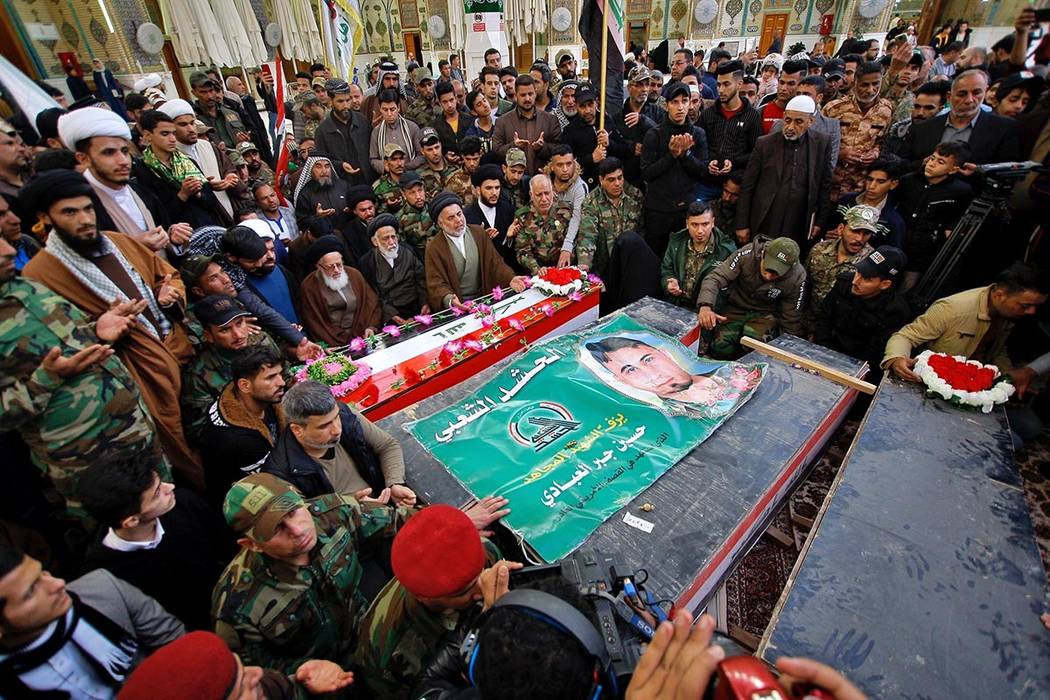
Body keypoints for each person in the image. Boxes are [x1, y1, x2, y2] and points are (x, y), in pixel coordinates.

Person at [20, 169, 203, 488]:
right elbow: (50, 349)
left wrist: (167, 293)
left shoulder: (118, 242)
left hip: (178, 350)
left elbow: (166, 274)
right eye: (70, 212)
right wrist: (97, 330)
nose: (85, 219)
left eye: (88, 208)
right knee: (176, 455)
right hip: (134, 376)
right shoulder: (40, 276)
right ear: (44, 217)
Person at [0, 234, 165, 523]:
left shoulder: (27, 288)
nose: (7, 250)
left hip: (137, 437)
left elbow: (64, 343)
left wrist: (96, 329)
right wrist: (46, 379)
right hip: (87, 464)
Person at [212, 473, 414, 672]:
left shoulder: (332, 513)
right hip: (325, 680)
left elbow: (408, 522)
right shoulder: (237, 605)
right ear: (252, 544)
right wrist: (306, 676)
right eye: (276, 528)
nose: (297, 530)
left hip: (370, 632)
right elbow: (257, 678)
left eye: (293, 511)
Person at [356, 505, 513, 697]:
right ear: (424, 597)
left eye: (480, 576)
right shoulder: (388, 650)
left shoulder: (481, 551)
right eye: (464, 592)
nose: (482, 591)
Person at [0, 543, 185, 697]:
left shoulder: (102, 590)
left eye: (42, 573)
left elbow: (176, 642)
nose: (58, 584)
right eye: (31, 592)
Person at [78, 456, 230, 631]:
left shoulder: (184, 504)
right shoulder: (106, 578)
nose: (170, 487)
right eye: (157, 493)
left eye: (161, 482)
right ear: (131, 521)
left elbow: (228, 549)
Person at [59, 108, 189, 259]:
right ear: (83, 159)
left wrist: (172, 236)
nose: (123, 161)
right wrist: (132, 246)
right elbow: (86, 260)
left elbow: (164, 233)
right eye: (109, 152)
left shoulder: (140, 191)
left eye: (125, 151)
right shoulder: (77, 205)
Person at [883, 262, 1049, 380]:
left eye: (1035, 306)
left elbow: (996, 351)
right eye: (1026, 305)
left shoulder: (1008, 314)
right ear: (999, 295)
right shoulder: (953, 309)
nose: (1031, 312)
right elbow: (906, 336)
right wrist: (897, 359)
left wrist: (1008, 377)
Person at [117, 630, 355, 700]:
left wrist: (303, 687)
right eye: (243, 685)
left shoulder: (265, 687)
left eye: (242, 668)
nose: (257, 673)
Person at [736, 95, 833, 245]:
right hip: (767, 217)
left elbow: (825, 186)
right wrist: (742, 224)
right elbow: (748, 186)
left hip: (799, 220)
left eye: (798, 121)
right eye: (788, 120)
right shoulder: (765, 144)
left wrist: (819, 221)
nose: (791, 127)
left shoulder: (822, 143)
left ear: (811, 121)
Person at [180, 293, 276, 440]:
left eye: (240, 323)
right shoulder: (198, 374)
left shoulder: (262, 341)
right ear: (209, 335)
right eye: (225, 330)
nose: (238, 335)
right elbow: (200, 430)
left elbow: (287, 378)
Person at [696, 237, 807, 358]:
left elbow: (791, 317)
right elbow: (715, 278)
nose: (769, 276)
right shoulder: (746, 254)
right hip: (736, 307)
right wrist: (705, 305)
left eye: (775, 273)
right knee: (720, 345)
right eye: (767, 269)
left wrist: (787, 350)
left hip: (766, 314)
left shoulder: (797, 278)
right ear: (763, 254)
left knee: (755, 348)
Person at [816, 245, 912, 373]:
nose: (856, 281)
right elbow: (824, 319)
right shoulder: (844, 282)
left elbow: (874, 353)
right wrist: (821, 353)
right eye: (858, 272)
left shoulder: (895, 311)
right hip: (824, 350)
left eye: (866, 279)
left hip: (854, 367)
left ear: (885, 284)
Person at [425, 192, 527, 310]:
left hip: (484, 297)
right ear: (440, 223)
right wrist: (449, 299)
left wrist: (510, 278)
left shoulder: (478, 232)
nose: (458, 220)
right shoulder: (434, 247)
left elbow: (495, 263)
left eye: (459, 214)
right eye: (451, 218)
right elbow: (436, 283)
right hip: (459, 306)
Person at [641, 82, 709, 257]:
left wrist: (685, 155)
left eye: (684, 101)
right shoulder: (654, 135)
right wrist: (671, 155)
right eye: (675, 102)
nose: (680, 107)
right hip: (659, 209)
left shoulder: (698, 134)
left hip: (686, 209)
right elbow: (647, 173)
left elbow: (702, 172)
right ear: (666, 105)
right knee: (655, 255)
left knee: (686, 256)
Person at [133, 110, 232, 229]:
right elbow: (156, 215)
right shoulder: (142, 169)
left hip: (209, 229)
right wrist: (183, 195)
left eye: (173, 133)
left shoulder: (186, 162)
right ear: (148, 135)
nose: (172, 139)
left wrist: (198, 193)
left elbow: (211, 202)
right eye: (165, 134)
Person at [902, 69, 1021, 166]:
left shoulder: (1004, 129)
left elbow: (1005, 172)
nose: (969, 100)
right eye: (962, 94)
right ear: (949, 97)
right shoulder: (922, 129)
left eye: (976, 93)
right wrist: (923, 164)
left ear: (985, 92)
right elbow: (904, 164)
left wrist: (978, 172)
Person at [895, 141, 973, 287]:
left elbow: (956, 218)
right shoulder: (908, 180)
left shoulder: (961, 191)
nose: (932, 164)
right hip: (896, 243)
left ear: (953, 169)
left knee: (907, 288)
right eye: (932, 158)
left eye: (941, 162)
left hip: (922, 254)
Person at [160, 99, 240, 222]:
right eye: (183, 125)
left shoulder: (207, 145)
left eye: (192, 123)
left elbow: (228, 167)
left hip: (230, 211)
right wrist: (205, 188)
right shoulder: (171, 157)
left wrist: (229, 177)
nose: (191, 129)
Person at [823, 62, 894, 200]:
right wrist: (839, 153)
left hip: (862, 188)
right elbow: (817, 143)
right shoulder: (834, 108)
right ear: (855, 82)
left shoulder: (886, 110)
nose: (870, 90)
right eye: (864, 85)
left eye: (875, 84)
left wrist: (876, 152)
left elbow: (884, 141)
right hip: (831, 184)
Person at [697, 60, 762, 202]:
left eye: (726, 84)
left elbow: (756, 152)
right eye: (719, 84)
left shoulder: (752, 116)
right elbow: (699, 145)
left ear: (739, 84)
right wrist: (709, 162)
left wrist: (733, 163)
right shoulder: (708, 114)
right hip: (707, 183)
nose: (720, 90)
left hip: (735, 187)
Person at [298, 236, 381, 345]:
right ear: (319, 266)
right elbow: (314, 322)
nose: (337, 270)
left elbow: (371, 304)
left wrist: (370, 326)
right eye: (330, 267)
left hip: (363, 334)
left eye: (339, 265)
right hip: (332, 340)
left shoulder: (354, 274)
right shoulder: (309, 286)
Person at [577, 157, 646, 278]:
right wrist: (584, 264)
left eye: (620, 178)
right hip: (605, 266)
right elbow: (587, 235)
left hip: (632, 262)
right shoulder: (591, 202)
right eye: (611, 180)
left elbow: (642, 230)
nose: (617, 183)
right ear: (601, 180)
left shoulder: (635, 196)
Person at [661, 201, 736, 310]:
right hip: (676, 304)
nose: (700, 231)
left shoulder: (726, 250)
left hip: (707, 310)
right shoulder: (676, 242)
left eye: (705, 224)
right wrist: (669, 283)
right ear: (687, 223)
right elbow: (666, 269)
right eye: (694, 225)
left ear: (713, 222)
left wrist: (707, 306)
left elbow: (728, 288)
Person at [224, 225, 302, 329]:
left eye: (272, 249)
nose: (270, 256)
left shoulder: (283, 271)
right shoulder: (238, 287)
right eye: (264, 253)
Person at [804, 204, 879, 311]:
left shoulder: (871, 262)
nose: (859, 238)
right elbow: (804, 285)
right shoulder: (819, 250)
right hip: (809, 319)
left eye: (866, 233)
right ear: (840, 229)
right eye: (855, 231)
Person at [358, 213, 429, 323]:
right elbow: (373, 294)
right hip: (390, 314)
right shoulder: (367, 263)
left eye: (393, 237)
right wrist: (392, 315)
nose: (391, 242)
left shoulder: (408, 251)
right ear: (375, 241)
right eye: (385, 238)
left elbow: (421, 279)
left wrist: (425, 303)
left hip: (418, 308)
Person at [824, 159, 906, 249]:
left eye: (880, 182)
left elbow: (892, 256)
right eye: (870, 179)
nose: (872, 186)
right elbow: (825, 226)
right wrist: (826, 233)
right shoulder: (846, 201)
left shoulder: (893, 222)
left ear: (893, 184)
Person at [491, 75, 562, 176]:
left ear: (535, 94)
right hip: (515, 184)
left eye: (530, 94)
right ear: (516, 95)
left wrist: (542, 147)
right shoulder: (502, 121)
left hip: (543, 182)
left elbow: (559, 150)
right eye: (523, 95)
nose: (527, 98)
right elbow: (496, 153)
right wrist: (514, 146)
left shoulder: (550, 120)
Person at [560, 85, 627, 192]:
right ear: (576, 106)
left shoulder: (606, 120)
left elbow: (624, 150)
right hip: (587, 186)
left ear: (596, 102)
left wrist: (610, 143)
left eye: (590, 105)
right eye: (582, 106)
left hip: (612, 184)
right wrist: (591, 158)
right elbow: (566, 164)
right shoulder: (570, 131)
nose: (587, 110)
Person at [313, 79, 374, 187]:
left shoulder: (362, 121)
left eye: (348, 100)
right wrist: (340, 165)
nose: (346, 105)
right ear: (331, 102)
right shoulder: (323, 130)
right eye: (340, 101)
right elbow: (322, 160)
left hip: (369, 180)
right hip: (343, 185)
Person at [513, 174, 573, 274]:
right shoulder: (523, 216)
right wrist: (536, 269)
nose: (544, 199)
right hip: (536, 272)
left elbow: (574, 240)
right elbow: (522, 251)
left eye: (547, 193)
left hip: (564, 268)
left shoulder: (565, 211)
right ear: (531, 195)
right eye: (539, 195)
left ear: (553, 191)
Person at [881, 81, 950, 159]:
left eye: (929, 108)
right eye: (917, 106)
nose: (920, 113)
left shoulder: (943, 138)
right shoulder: (897, 131)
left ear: (940, 110)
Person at [293, 155, 355, 240]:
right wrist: (317, 217)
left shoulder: (343, 185)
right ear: (311, 170)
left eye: (327, 166)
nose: (324, 171)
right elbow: (301, 223)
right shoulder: (305, 194)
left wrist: (351, 209)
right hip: (325, 241)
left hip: (350, 236)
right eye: (318, 167)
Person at [189, 71, 250, 152]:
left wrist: (245, 141)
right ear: (194, 93)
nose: (209, 96)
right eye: (203, 92)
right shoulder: (193, 120)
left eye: (211, 90)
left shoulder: (232, 113)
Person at [369, 89, 425, 175]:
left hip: (412, 174)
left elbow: (421, 155)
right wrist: (385, 166)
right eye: (385, 109)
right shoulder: (376, 132)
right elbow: (373, 159)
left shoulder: (412, 127)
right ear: (380, 109)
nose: (389, 114)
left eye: (392, 109)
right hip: (389, 176)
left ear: (398, 108)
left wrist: (405, 167)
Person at [396, 170, 437, 259]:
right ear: (403, 194)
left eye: (420, 190)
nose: (418, 196)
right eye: (412, 192)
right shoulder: (399, 219)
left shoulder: (435, 208)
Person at [759, 59, 806, 133]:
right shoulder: (762, 111)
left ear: (802, 86)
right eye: (782, 82)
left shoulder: (808, 113)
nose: (783, 88)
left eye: (791, 84)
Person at [417, 126, 462, 202]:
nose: (435, 153)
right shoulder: (419, 176)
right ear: (422, 151)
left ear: (441, 145)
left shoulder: (456, 167)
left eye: (437, 147)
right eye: (429, 149)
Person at [445, 136, 484, 207]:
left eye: (475, 159)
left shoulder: (487, 176)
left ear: (480, 154)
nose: (472, 163)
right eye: (468, 159)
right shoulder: (453, 179)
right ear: (462, 156)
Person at [373, 143, 409, 213]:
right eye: (394, 159)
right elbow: (374, 214)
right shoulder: (379, 187)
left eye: (401, 158)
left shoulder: (414, 179)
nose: (399, 163)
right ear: (386, 163)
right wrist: (388, 207)